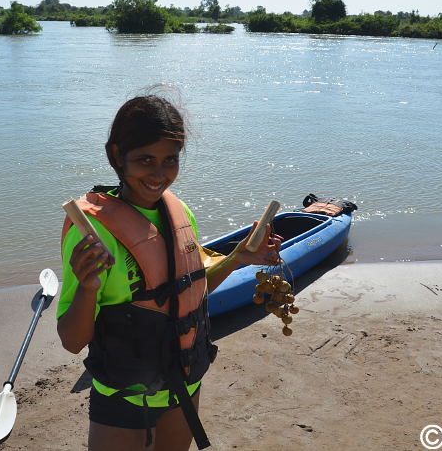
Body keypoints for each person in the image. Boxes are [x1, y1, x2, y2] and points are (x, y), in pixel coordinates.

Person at [56, 95, 282, 451]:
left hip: (184, 385)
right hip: (123, 393)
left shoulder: (180, 214)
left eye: (170, 160)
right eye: (145, 160)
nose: (159, 175)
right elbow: (71, 341)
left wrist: (239, 257)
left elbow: (188, 290)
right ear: (117, 155)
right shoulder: (92, 236)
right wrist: (87, 288)